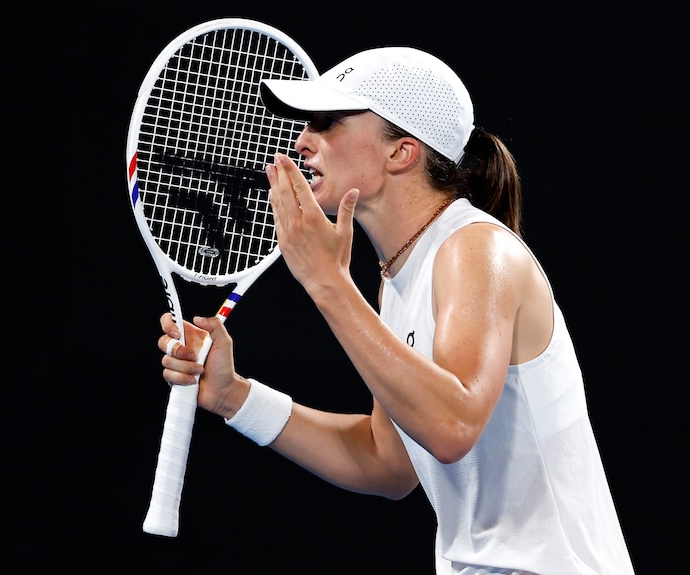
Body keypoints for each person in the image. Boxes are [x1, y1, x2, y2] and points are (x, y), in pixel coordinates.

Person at [156, 47, 634, 574]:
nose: (301, 140)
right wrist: (234, 397)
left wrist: (328, 284)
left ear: (401, 152)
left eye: (329, 122)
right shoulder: (400, 278)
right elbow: (386, 462)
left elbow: (452, 426)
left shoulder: (477, 248)